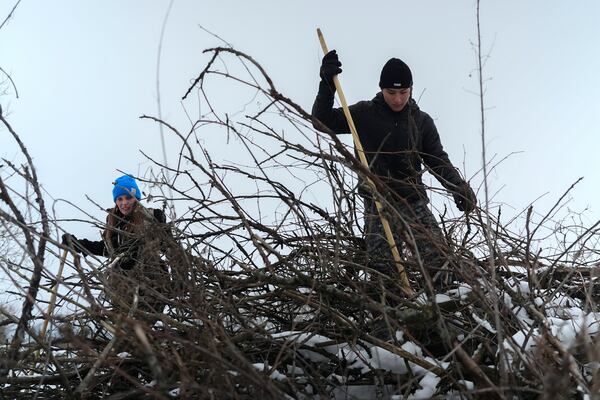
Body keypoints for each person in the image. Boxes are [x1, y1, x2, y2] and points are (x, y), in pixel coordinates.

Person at [312, 50, 477, 287]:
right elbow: (321, 120)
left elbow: (437, 160)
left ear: (411, 89)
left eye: (403, 92)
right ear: (381, 89)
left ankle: (445, 309)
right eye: (391, 92)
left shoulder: (421, 122)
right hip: (377, 203)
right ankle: (391, 318)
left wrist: (458, 187)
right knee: (384, 273)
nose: (398, 99)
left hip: (413, 202)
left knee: (440, 263)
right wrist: (327, 82)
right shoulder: (363, 114)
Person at [62, 174, 170, 315]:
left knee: (141, 331)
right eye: (120, 199)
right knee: (126, 331)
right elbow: (108, 249)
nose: (124, 203)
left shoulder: (153, 217)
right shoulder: (113, 220)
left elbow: (170, 248)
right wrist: (79, 244)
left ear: (136, 198)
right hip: (122, 288)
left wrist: (178, 281)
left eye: (128, 197)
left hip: (151, 285)